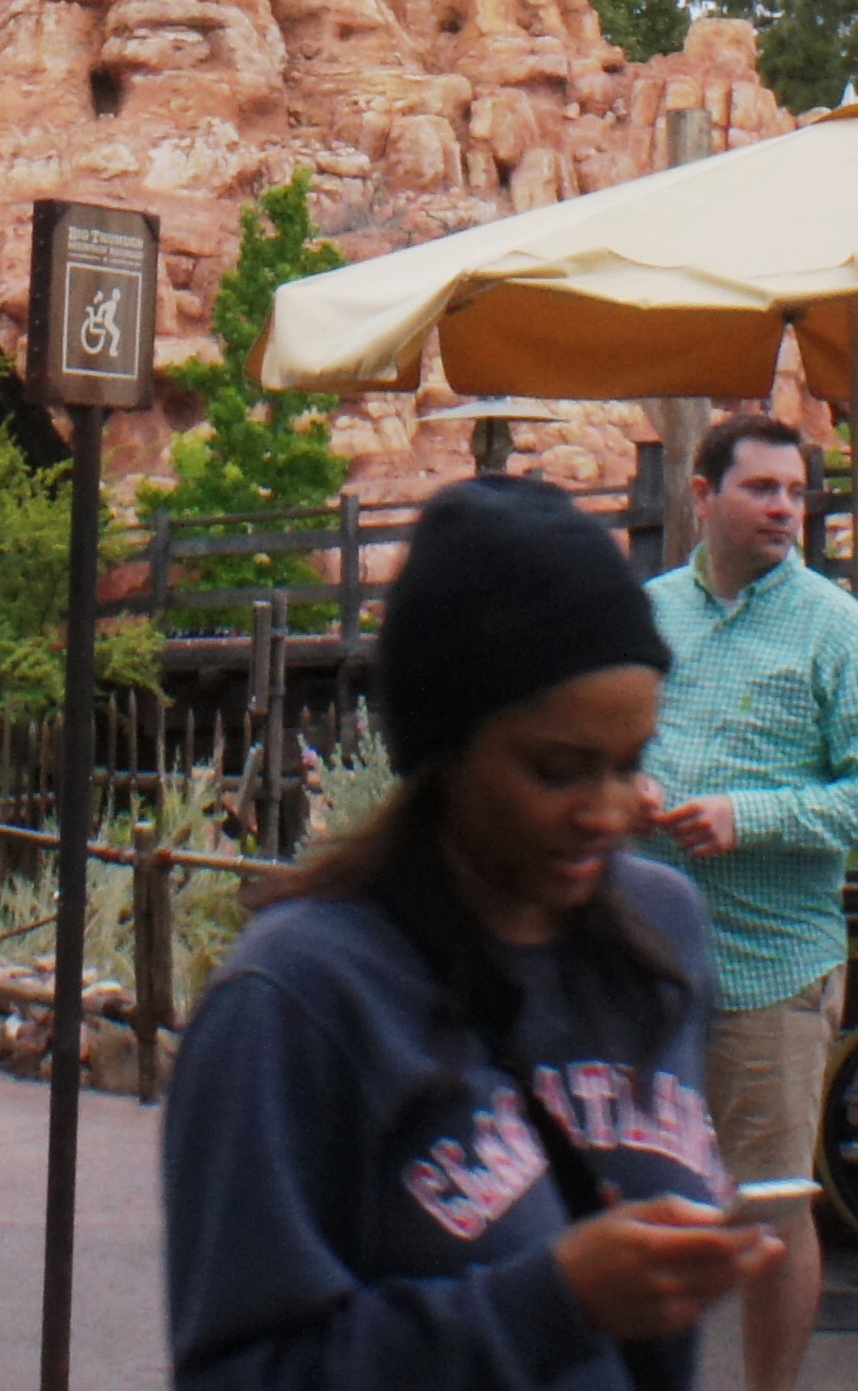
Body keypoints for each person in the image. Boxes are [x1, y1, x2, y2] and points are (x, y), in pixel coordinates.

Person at [164, 474, 779, 1391]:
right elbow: (242, 1372)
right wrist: (555, 1302)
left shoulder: (662, 931)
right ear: (444, 749)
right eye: (559, 768)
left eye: (631, 763)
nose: (610, 812)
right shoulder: (296, 1003)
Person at [638, 415, 858, 1391]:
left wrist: (746, 817)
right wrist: (615, 783)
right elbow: (594, 735)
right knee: (623, 1186)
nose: (784, 510)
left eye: (795, 493)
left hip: (767, 967)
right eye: (760, 489)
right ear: (701, 496)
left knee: (764, 1203)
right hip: (634, 961)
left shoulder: (841, 631)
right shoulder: (645, 613)